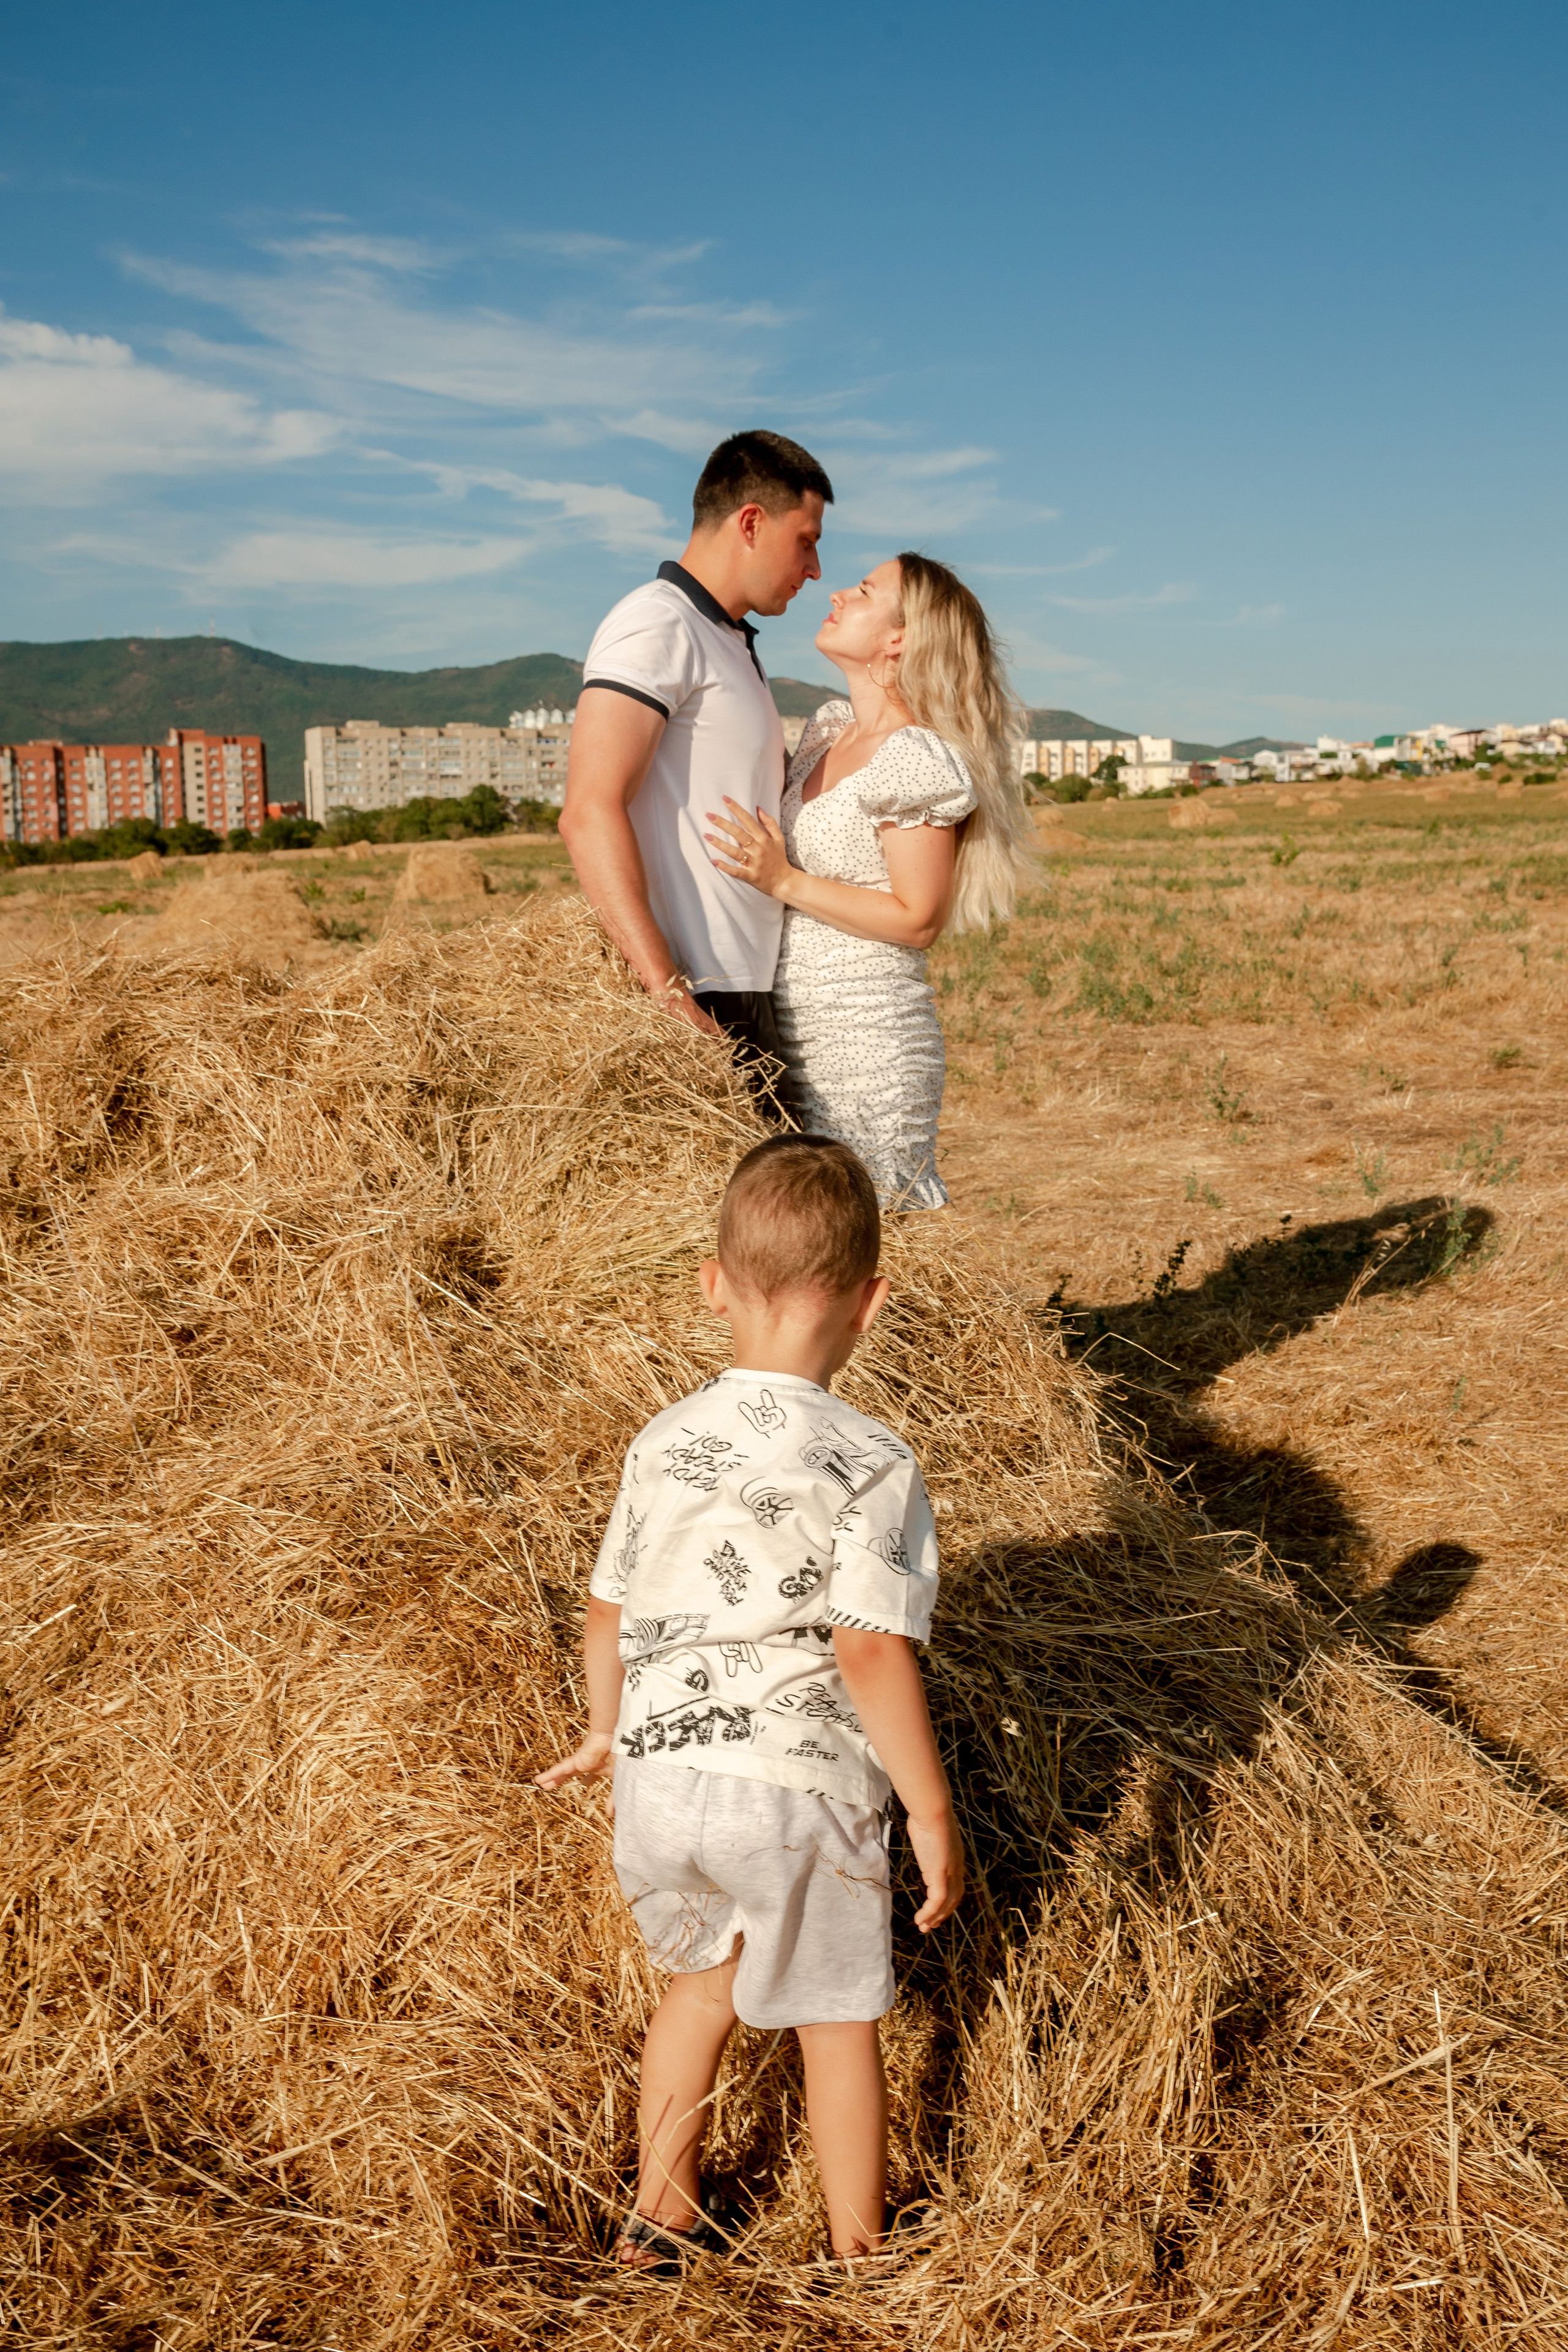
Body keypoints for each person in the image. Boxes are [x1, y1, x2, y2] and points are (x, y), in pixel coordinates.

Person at [535, 1136, 963, 2270]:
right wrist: (927, 1808)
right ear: (872, 1303)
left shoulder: (662, 1442)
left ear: (714, 1282)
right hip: (797, 1793)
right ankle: (859, 2247)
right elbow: (870, 1651)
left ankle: (658, 2217)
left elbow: (605, 1613)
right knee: (835, 2019)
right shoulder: (874, 1460)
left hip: (660, 1782)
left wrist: (600, 1732)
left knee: (697, 1991)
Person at [704, 554, 1031, 1207]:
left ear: (898, 638)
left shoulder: (915, 757)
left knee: (860, 1225)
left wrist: (784, 881)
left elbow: (918, 918)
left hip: (865, 1035)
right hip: (788, 1025)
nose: (837, 594)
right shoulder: (827, 730)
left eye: (863, 590)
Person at [559, 431, 834, 1081]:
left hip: (745, 989)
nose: (816, 568)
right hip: (700, 997)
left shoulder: (727, 638)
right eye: (806, 540)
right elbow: (588, 809)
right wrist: (664, 989)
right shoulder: (658, 622)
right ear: (750, 522)